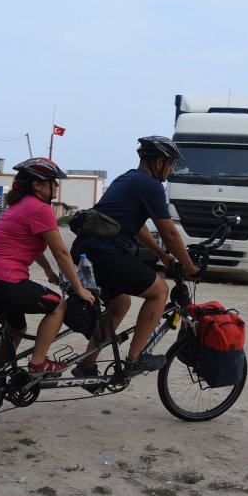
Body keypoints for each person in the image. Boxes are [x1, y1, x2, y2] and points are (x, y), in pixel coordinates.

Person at [70, 136, 202, 378]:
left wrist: (162, 255)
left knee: (120, 304)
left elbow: (137, 227)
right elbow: (169, 232)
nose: (171, 170)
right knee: (159, 291)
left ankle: (87, 365)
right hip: (106, 253)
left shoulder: (127, 178)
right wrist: (190, 266)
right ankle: (135, 358)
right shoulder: (150, 185)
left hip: (85, 251)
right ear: (160, 162)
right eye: (171, 164)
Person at [0, 157, 96, 374]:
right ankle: (38, 363)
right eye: (52, 182)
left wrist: (47, 270)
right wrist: (79, 288)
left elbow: (30, 243)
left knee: (17, 327)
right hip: (3, 280)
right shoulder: (40, 209)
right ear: (37, 185)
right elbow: (61, 253)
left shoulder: (18, 206)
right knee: (58, 306)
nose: (56, 186)